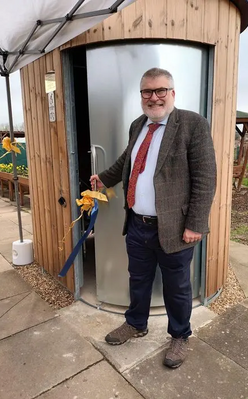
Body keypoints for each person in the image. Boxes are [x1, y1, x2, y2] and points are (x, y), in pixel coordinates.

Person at [90, 67, 216, 368]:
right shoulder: (138, 124)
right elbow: (128, 159)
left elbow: (205, 177)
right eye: (147, 91)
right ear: (141, 95)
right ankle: (135, 323)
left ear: (172, 93)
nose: (154, 97)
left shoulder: (192, 124)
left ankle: (180, 335)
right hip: (137, 224)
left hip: (175, 228)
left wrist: (195, 224)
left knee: (178, 287)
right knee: (139, 279)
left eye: (161, 90)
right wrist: (104, 178)